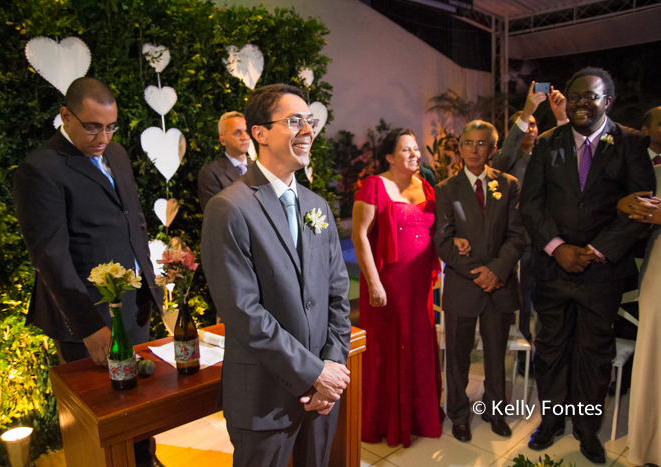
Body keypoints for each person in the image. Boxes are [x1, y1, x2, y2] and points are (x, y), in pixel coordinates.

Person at [13, 77, 163, 467]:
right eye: (93, 126)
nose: (103, 137)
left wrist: (150, 287)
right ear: (66, 115)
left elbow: (132, 221)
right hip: (88, 318)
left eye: (110, 127)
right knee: (101, 424)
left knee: (140, 410)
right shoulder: (40, 168)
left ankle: (144, 460)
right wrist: (88, 325)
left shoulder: (117, 155)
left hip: (134, 305)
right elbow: (50, 255)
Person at [200, 84, 352, 467]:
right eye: (294, 121)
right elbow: (243, 312)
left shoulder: (317, 206)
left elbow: (337, 294)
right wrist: (313, 373)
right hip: (264, 400)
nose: (307, 131)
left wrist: (330, 370)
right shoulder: (229, 208)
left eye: (310, 121)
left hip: (321, 399)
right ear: (259, 133)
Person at [520, 67, 655, 463]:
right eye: (575, 96)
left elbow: (638, 207)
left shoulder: (631, 143)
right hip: (553, 268)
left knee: (594, 355)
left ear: (607, 102)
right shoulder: (548, 142)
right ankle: (552, 422)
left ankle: (586, 428)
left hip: (602, 272)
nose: (581, 102)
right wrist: (558, 247)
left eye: (590, 97)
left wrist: (596, 251)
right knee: (551, 350)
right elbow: (531, 204)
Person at [434, 120, 526, 443]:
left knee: (496, 355)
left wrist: (496, 272)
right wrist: (479, 272)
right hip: (463, 285)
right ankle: (459, 414)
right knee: (458, 357)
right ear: (460, 147)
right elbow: (443, 242)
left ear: (493, 148)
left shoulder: (510, 185)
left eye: (482, 143)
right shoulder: (446, 189)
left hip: (499, 285)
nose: (474, 149)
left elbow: (517, 235)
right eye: (468, 143)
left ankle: (495, 410)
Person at [352, 128, 444, 448]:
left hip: (419, 288)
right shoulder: (374, 186)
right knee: (388, 347)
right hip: (387, 285)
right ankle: (385, 419)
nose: (414, 155)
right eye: (406, 150)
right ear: (389, 157)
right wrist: (374, 282)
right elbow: (359, 236)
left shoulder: (428, 188)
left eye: (416, 149)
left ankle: (419, 417)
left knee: (418, 344)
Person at [492, 81, 568, 376]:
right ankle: (524, 358)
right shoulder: (508, 162)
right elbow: (502, 156)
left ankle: (549, 355)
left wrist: (561, 118)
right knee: (522, 304)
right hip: (522, 244)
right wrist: (527, 110)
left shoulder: (549, 151)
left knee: (550, 302)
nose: (532, 129)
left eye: (536, 123)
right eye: (527, 125)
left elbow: (570, 159)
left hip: (552, 241)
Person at [617, 168, 661, 467]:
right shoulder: (654, 173)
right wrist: (626, 205)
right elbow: (620, 203)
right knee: (654, 356)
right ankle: (650, 445)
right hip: (659, 265)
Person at [198, 111, 251, 212]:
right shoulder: (210, 174)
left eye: (247, 131)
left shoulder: (259, 167)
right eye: (237, 132)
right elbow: (216, 215)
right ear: (223, 140)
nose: (245, 137)